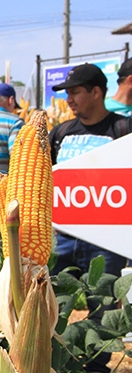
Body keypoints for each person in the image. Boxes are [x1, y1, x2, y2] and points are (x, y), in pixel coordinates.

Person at [48, 63, 132, 276]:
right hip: (62, 238)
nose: (68, 100)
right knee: (53, 304)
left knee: (104, 305)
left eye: (75, 92)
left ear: (96, 92)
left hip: (106, 243)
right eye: (67, 93)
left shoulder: (124, 129)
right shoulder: (60, 133)